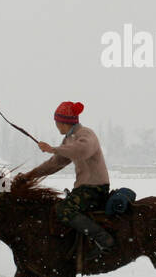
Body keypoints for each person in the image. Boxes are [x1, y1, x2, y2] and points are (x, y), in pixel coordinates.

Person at [22, 101, 115, 254]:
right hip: (83, 188)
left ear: (63, 122)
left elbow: (82, 150)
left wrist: (53, 149)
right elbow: (56, 163)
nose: (56, 126)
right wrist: (30, 175)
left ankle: (104, 240)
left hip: (94, 188)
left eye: (57, 122)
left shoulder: (86, 134)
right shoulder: (69, 139)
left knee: (64, 210)